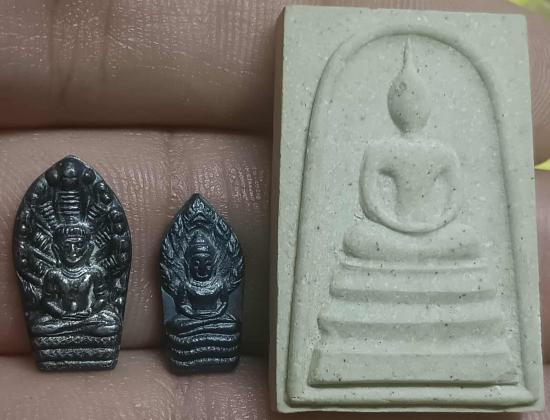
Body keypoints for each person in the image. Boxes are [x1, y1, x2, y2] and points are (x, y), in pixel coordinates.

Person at [0, 0, 548, 418]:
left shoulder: (442, 153)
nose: (411, 108)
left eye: (415, 101)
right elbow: (370, 204)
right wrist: (396, 225)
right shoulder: (379, 150)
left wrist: (427, 226)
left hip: (432, 238)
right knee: (360, 239)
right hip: (381, 240)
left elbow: (453, 204)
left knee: (464, 242)